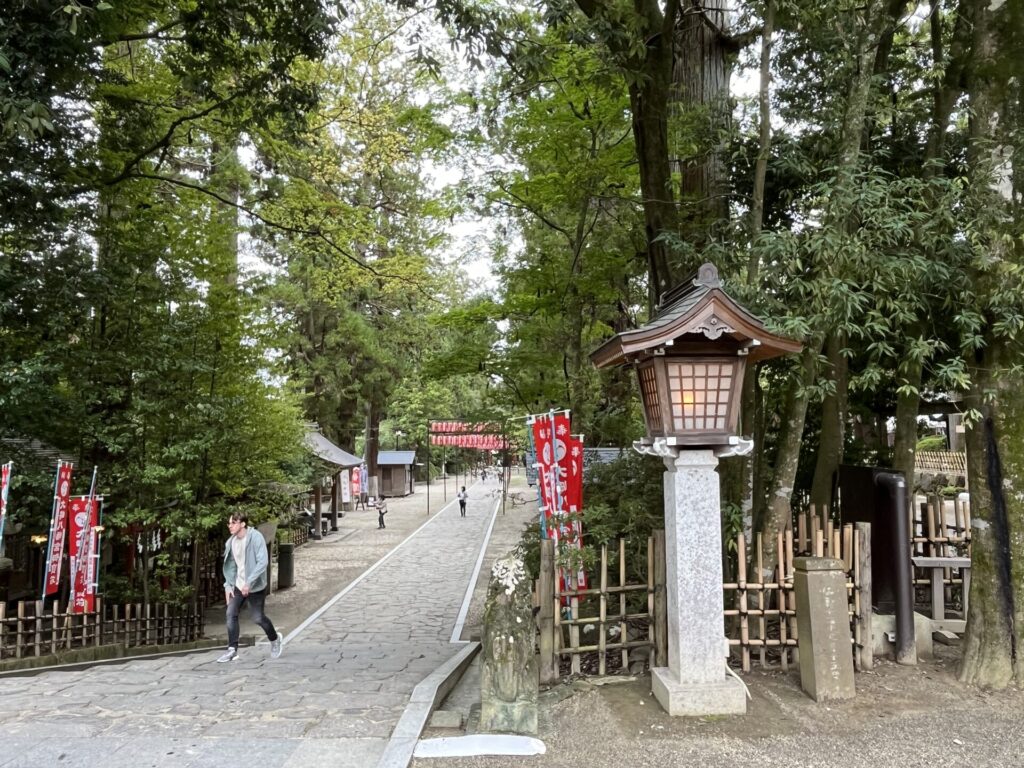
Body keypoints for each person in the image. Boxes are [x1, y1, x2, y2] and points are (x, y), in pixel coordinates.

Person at [217, 512, 282, 663]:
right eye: (229, 523)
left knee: (258, 618)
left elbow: (262, 562)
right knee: (230, 613)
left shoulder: (255, 537)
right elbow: (230, 567)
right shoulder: (231, 542)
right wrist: (228, 585)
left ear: (243, 524)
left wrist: (249, 582)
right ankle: (232, 650)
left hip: (256, 586)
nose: (230, 526)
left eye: (233, 522)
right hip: (238, 585)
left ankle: (275, 639)